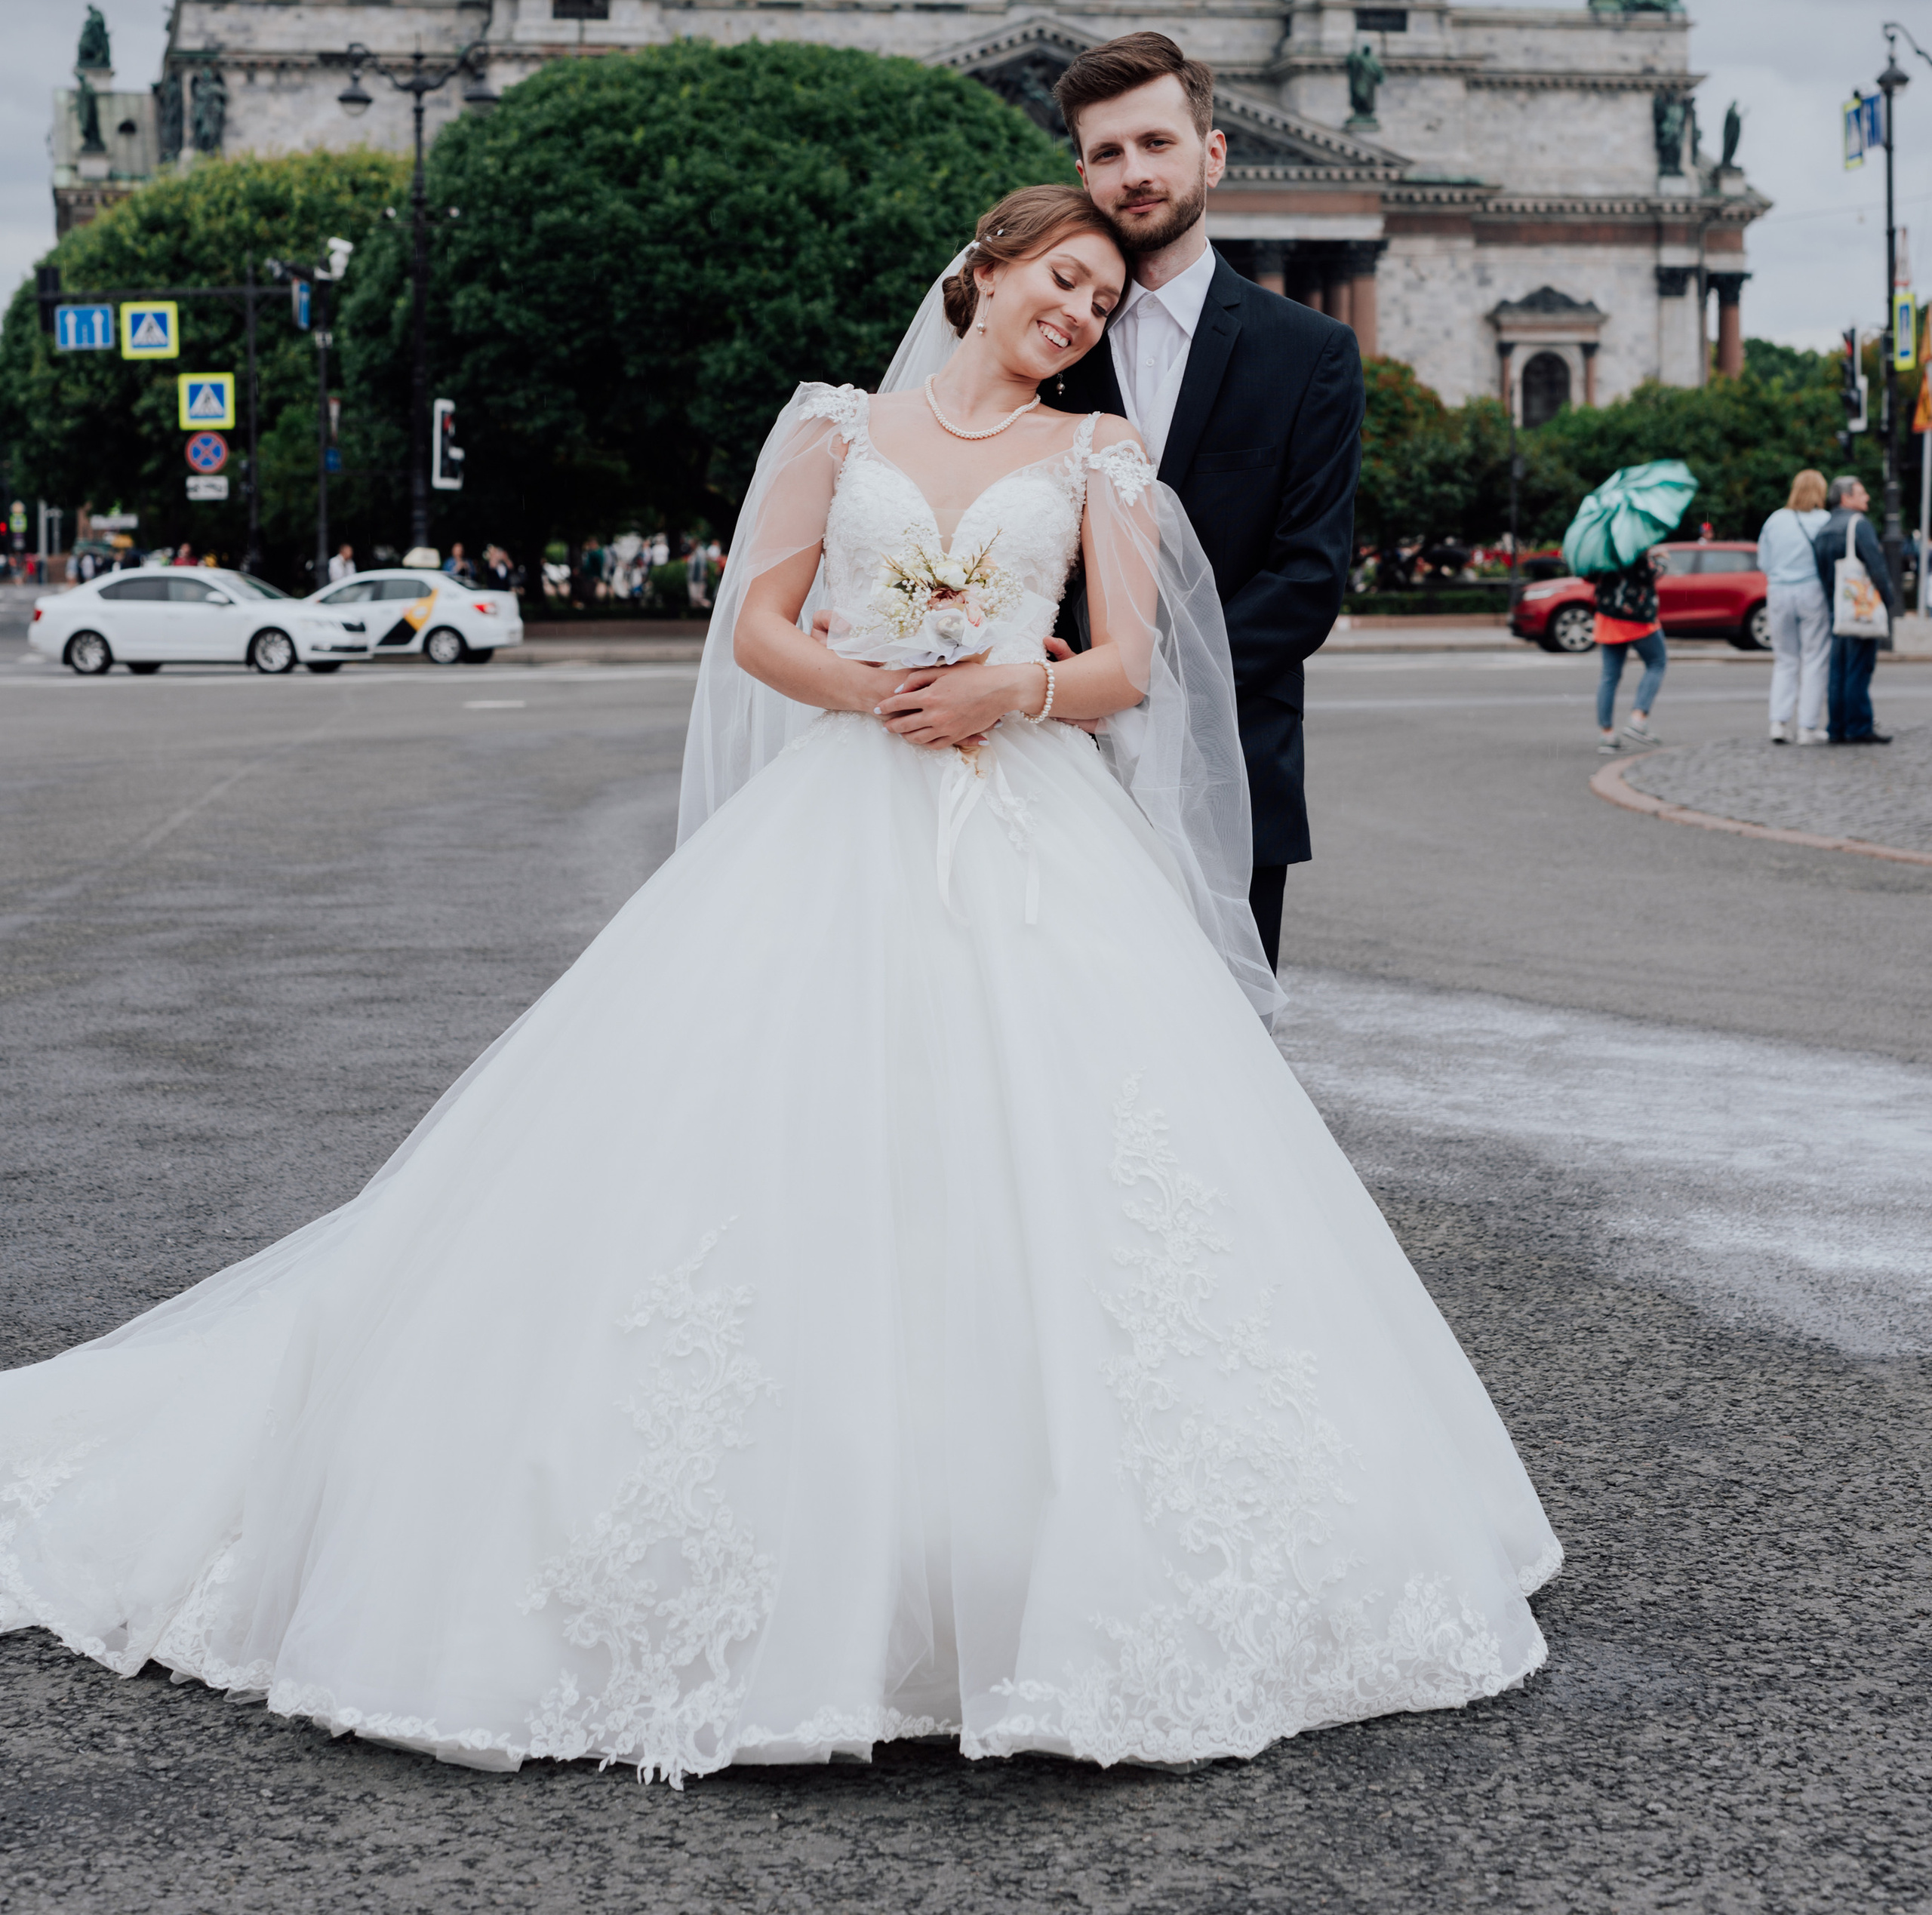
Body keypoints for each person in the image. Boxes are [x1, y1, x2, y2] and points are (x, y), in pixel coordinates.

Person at [0, 183, 1555, 1782]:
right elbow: (755, 620)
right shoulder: (833, 424)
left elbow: (1123, 666)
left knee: (1073, 1173)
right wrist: (863, 683)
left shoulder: (1095, 458)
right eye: (1060, 279)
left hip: (1020, 811)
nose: (1078, 314)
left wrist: (1011, 683)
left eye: (1100, 300)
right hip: (839, 800)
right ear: (989, 268)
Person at [1044, 32, 1364, 970]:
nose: (1133, 173)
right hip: (1051, 756)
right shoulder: (1050, 345)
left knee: (1221, 1063)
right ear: (1083, 174)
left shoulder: (1309, 353)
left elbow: (1307, 580)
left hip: (1231, 770)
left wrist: (1135, 682)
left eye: (1156, 144)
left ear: (1212, 154)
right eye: (1107, 154)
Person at [1813, 473, 1898, 745]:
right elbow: (1877, 566)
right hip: (1859, 609)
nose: (1867, 497)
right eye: (1862, 493)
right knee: (1859, 668)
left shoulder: (1824, 528)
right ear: (1847, 498)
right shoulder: (1858, 525)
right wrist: (1888, 599)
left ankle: (1836, 727)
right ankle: (1859, 726)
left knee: (1838, 670)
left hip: (1837, 608)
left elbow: (1822, 572)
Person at [1756, 471, 1830, 744]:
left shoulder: (1776, 520)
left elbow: (1763, 562)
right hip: (1812, 591)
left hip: (1778, 592)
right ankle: (1807, 727)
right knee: (1814, 658)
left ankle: (1778, 722)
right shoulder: (1824, 521)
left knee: (1785, 659)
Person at [1592, 546, 1668, 752]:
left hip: (1608, 615)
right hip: (1637, 617)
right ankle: (1638, 718)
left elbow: (1590, 576)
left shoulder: (1603, 545)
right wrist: (1659, 559)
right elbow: (1649, 575)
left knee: (1609, 676)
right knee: (1657, 663)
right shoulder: (1633, 543)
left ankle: (1606, 735)